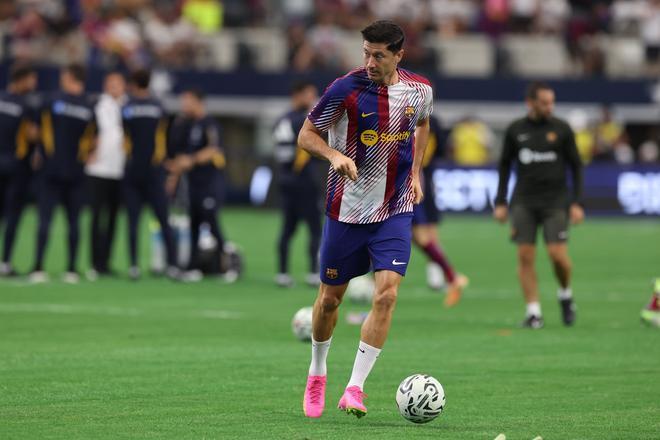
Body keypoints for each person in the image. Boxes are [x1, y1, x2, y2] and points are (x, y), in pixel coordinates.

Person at [298, 20, 433, 419]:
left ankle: (354, 388)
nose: (370, 62)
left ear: (398, 55)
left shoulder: (420, 90)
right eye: (366, 53)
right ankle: (317, 372)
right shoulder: (345, 88)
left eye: (379, 55)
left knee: (387, 294)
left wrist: (415, 173)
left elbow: (422, 124)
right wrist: (334, 156)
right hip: (347, 211)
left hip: (395, 209)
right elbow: (306, 134)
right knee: (328, 301)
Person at [494, 82, 584, 329]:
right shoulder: (515, 130)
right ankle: (534, 313)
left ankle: (565, 293)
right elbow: (504, 166)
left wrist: (577, 202)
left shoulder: (562, 129)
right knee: (525, 256)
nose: (549, 107)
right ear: (530, 102)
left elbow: (576, 166)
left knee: (558, 256)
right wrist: (500, 201)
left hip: (555, 201)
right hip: (523, 200)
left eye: (551, 102)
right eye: (545, 102)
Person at [30, 64, 96, 283]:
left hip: (51, 169)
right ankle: (72, 270)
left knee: (45, 220)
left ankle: (38, 268)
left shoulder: (51, 101)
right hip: (76, 171)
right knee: (74, 222)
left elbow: (36, 131)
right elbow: (93, 139)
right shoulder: (89, 106)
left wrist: (39, 152)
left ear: (69, 77)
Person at [165, 89, 228, 281]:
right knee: (193, 224)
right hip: (193, 183)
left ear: (198, 102)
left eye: (187, 101)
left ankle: (226, 265)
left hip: (209, 183)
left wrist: (191, 160)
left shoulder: (210, 124)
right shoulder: (188, 125)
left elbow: (214, 149)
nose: (184, 106)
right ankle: (193, 267)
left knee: (212, 223)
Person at [122, 69, 178, 280]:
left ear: (134, 84)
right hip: (155, 172)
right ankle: (173, 265)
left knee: (133, 221)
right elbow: (167, 141)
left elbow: (125, 139)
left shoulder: (126, 108)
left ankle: (134, 265)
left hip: (133, 170)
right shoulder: (159, 108)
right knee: (164, 220)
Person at [412, 115, 468, 307]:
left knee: (392, 241)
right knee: (419, 239)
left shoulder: (413, 119)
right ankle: (451, 277)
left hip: (404, 186)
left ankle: (449, 277)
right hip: (404, 185)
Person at [273, 80, 321, 288]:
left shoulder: (281, 120)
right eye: (310, 95)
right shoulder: (304, 120)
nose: (313, 99)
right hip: (304, 180)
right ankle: (313, 272)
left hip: (285, 179)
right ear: (299, 95)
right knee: (314, 229)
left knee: (287, 228)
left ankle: (282, 272)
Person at [85, 71, 127, 280]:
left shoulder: (129, 107)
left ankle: (106, 262)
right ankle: (95, 263)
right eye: (111, 84)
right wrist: (87, 151)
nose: (114, 88)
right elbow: (87, 132)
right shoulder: (97, 105)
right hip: (98, 170)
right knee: (96, 217)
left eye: (117, 84)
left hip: (119, 170)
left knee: (112, 218)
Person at [0, 63, 38, 277]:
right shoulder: (26, 105)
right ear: (21, 80)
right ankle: (5, 262)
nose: (34, 84)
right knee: (13, 216)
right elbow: (32, 135)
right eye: (31, 79)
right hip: (16, 167)